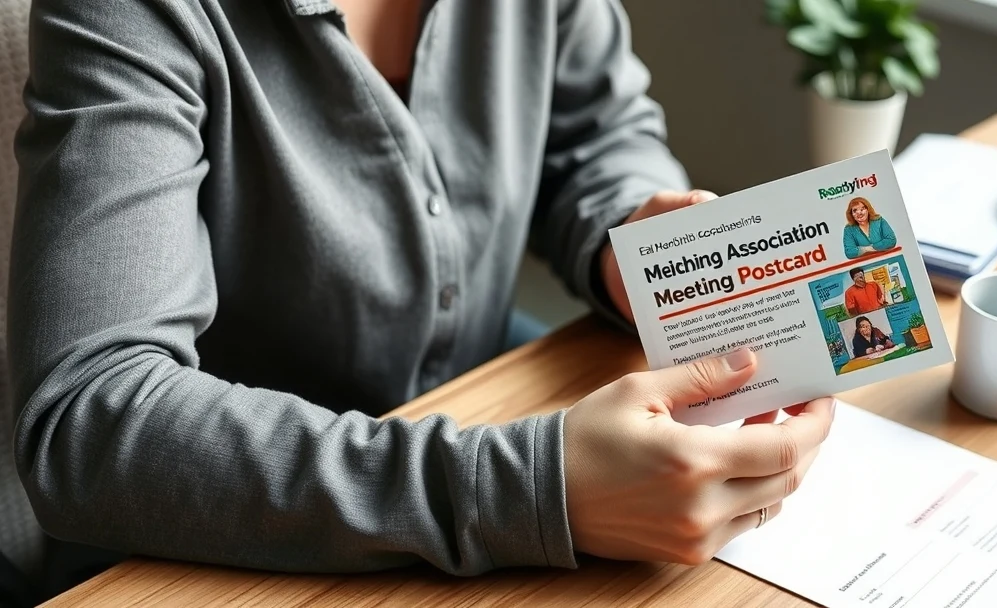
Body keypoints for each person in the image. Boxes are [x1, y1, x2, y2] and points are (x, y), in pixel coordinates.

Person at [7, 0, 836, 596]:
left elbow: (598, 136)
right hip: (212, 544)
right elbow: (92, 416)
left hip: (487, 409)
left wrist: (633, 235)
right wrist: (527, 490)